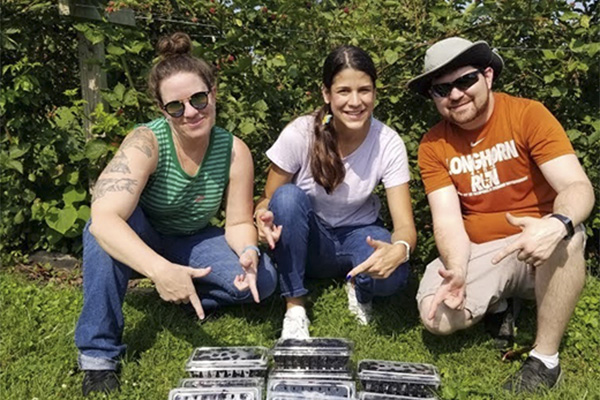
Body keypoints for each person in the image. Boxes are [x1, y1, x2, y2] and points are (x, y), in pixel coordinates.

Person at [74, 32, 277, 396]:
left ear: (213, 94)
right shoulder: (145, 142)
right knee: (98, 233)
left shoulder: (234, 150)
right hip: (144, 233)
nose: (191, 112)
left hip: (193, 238)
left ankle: (185, 291)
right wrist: (157, 270)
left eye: (199, 99)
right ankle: (98, 355)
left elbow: (236, 222)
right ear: (161, 109)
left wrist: (248, 250)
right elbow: (104, 217)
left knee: (262, 281)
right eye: (176, 106)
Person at [407, 37, 594, 393]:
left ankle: (545, 360)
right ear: (434, 97)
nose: (455, 95)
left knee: (571, 236)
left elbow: (577, 187)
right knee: (437, 316)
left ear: (488, 76)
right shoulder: (433, 144)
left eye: (465, 81)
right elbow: (447, 220)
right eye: (442, 89)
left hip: (539, 249)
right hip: (483, 251)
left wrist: (557, 223)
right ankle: (500, 304)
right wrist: (458, 269)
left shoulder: (528, 114)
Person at [254, 45, 417, 339]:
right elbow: (269, 199)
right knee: (288, 198)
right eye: (344, 91)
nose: (355, 102)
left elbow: (405, 224)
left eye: (364, 90)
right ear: (327, 94)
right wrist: (262, 218)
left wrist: (400, 250)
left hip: (360, 236)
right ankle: (294, 307)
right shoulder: (300, 133)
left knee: (395, 279)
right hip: (309, 240)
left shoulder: (388, 142)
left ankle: (360, 286)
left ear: (375, 93)